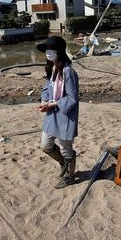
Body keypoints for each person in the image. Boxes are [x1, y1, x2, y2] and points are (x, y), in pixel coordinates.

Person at [36, 36, 79, 189]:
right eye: (46, 50)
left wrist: (53, 103)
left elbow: (72, 98)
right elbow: (46, 88)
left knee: (66, 148)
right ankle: (62, 163)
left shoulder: (68, 72)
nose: (48, 53)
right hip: (51, 114)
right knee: (46, 145)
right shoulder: (51, 68)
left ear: (59, 52)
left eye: (50, 50)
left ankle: (70, 176)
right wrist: (44, 101)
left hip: (65, 115)